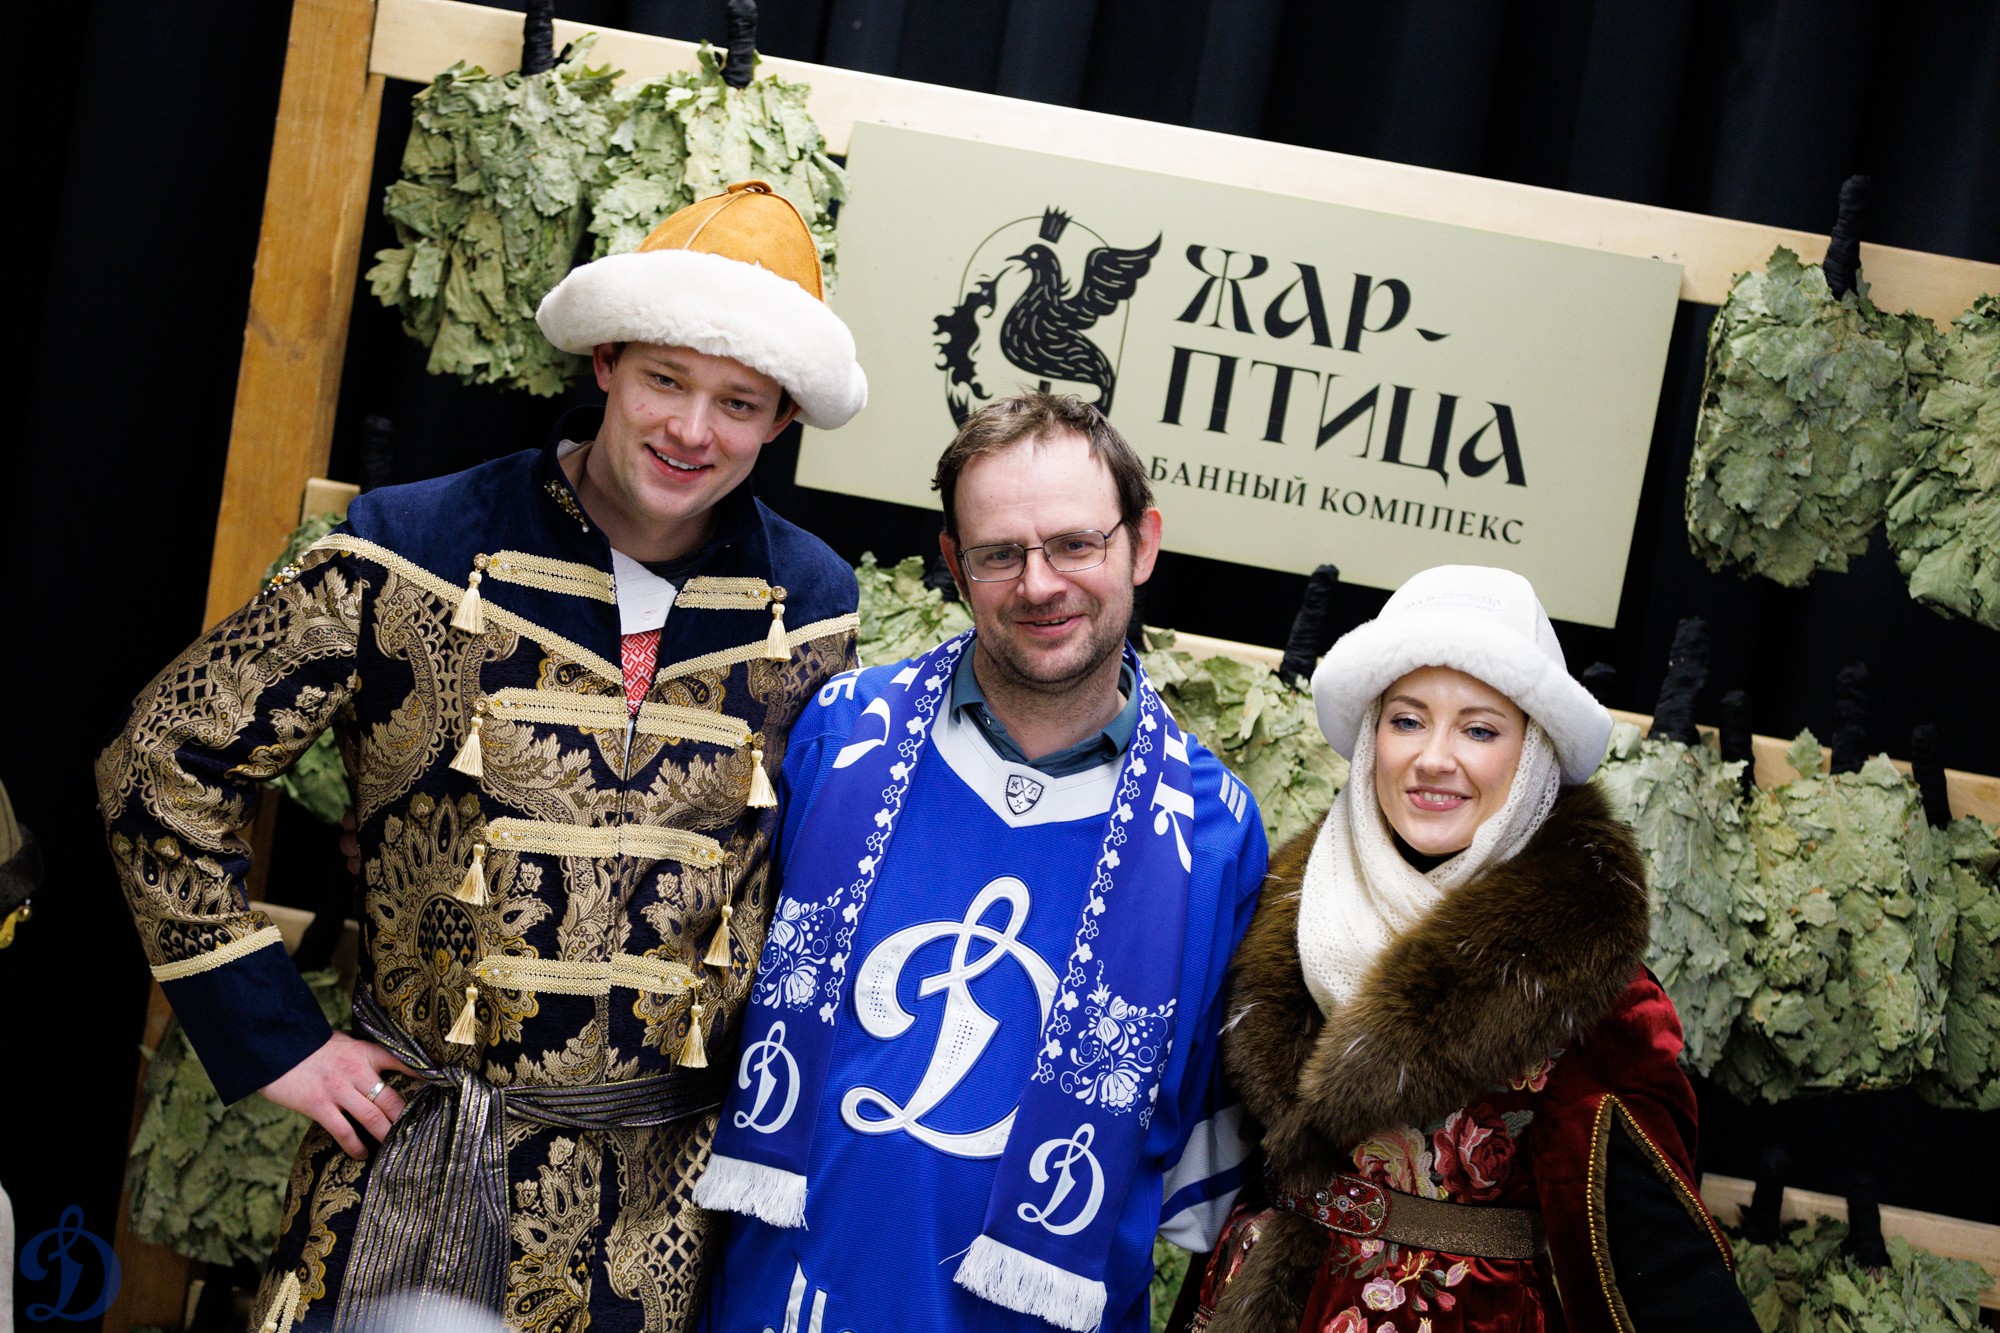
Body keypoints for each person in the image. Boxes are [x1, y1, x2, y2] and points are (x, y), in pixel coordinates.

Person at [96, 181, 867, 1331]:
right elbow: (163, 760)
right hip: (411, 1154)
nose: (691, 431)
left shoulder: (812, 603)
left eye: (738, 403)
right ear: (606, 361)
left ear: (781, 420)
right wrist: (272, 1037)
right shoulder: (409, 544)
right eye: (664, 380)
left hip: (656, 1218)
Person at [692, 393, 1270, 1333]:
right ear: (956, 565)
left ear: (1143, 544)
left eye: (1076, 544)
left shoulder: (1215, 835)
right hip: (780, 1308)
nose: (1040, 584)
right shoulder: (838, 738)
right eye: (1000, 553)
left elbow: (1197, 1173)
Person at [1193, 565, 1758, 1333]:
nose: (1434, 757)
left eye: (1480, 729)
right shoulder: (1292, 910)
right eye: (1407, 720)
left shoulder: (1581, 980)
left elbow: (1665, 1270)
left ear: (1532, 753)